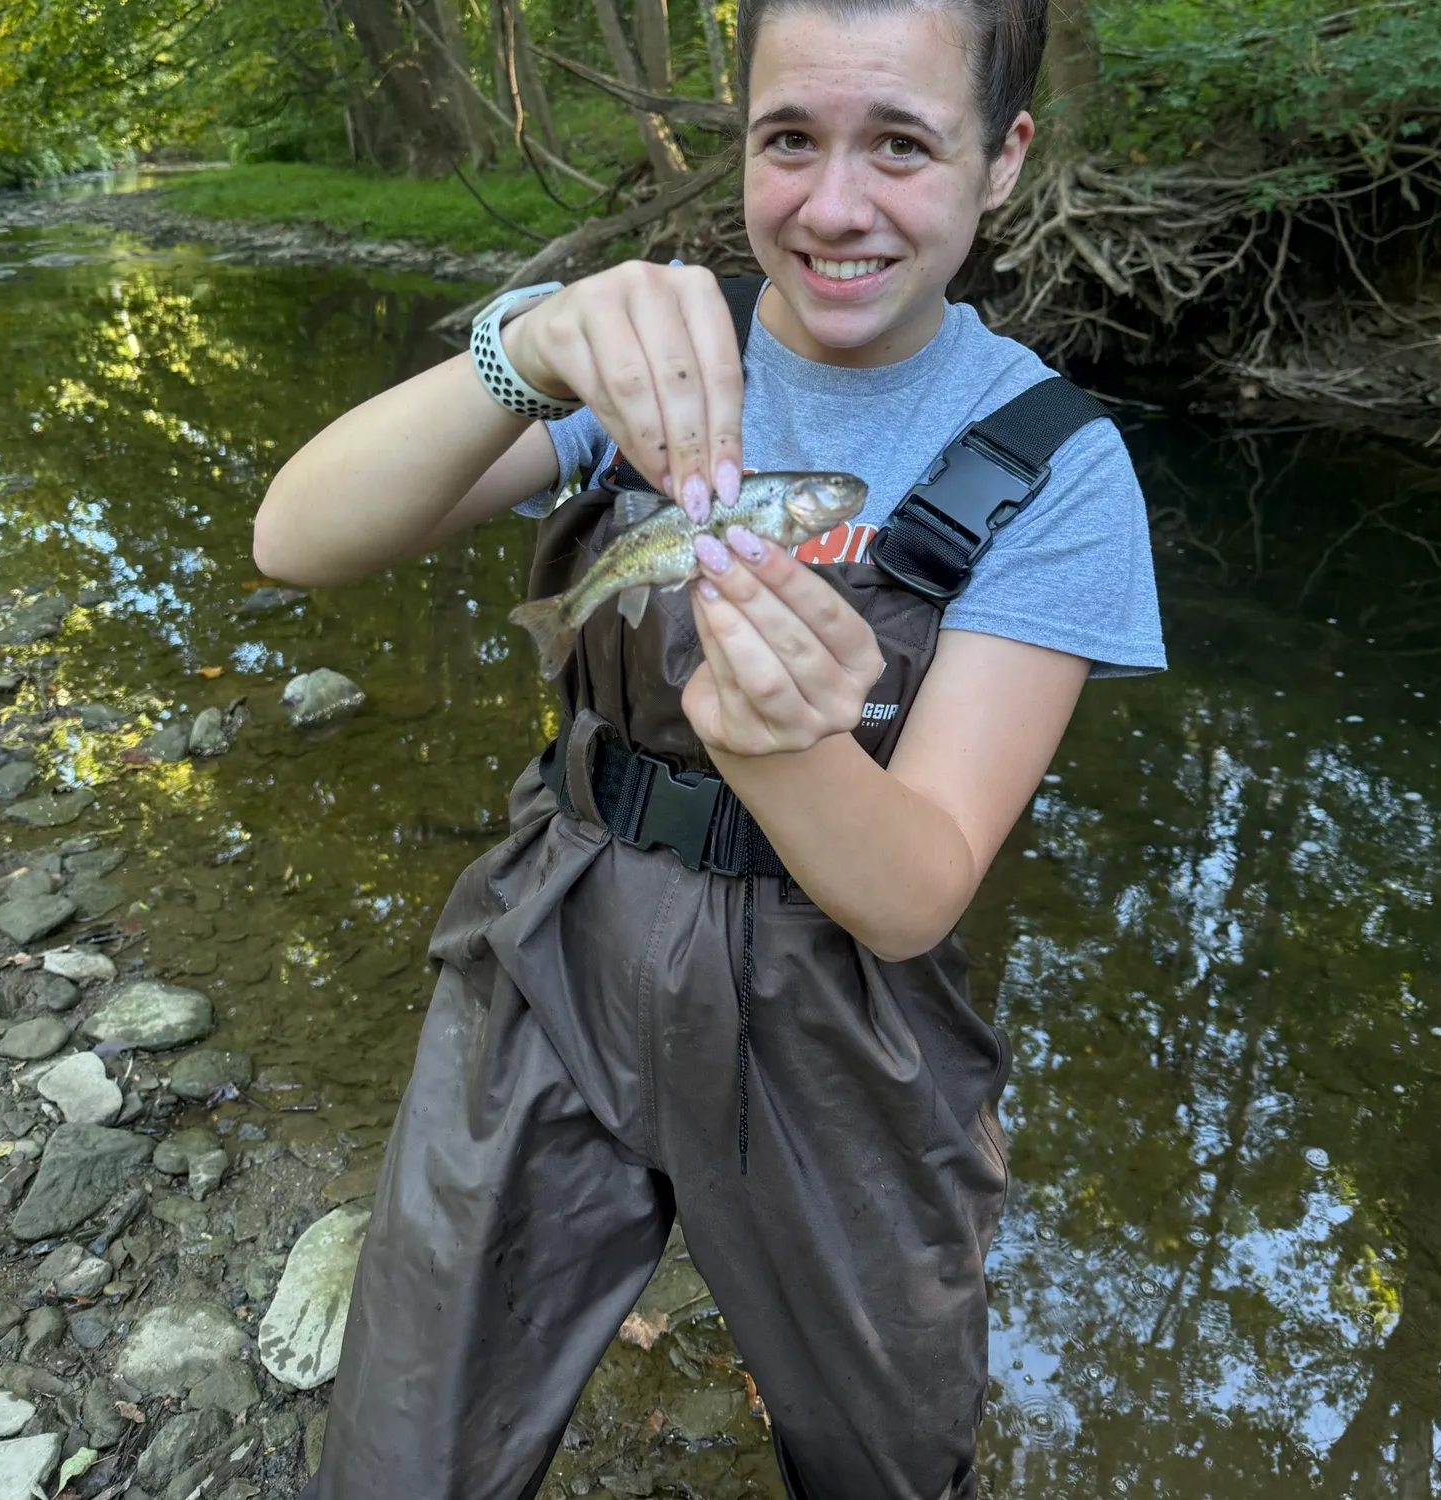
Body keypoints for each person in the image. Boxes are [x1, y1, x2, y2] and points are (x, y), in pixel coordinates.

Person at [258, 0, 1165, 1493]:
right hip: (556, 934)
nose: (834, 204)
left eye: (903, 145)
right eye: (788, 139)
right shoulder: (648, 359)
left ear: (1004, 161)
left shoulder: (1056, 466)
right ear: (737, 138)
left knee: (883, 1444)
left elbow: (913, 889)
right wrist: (528, 346)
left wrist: (780, 750)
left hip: (844, 1015)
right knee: (413, 1426)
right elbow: (295, 539)